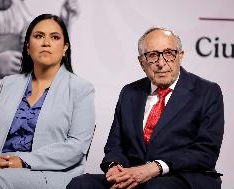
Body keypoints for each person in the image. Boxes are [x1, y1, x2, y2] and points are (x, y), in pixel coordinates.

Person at [0, 14, 95, 189]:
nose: (46, 42)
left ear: (65, 48)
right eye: (38, 36)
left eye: (54, 37)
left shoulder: (81, 88)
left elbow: (76, 146)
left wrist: (22, 161)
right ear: (28, 47)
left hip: (51, 172)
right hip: (3, 164)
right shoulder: (9, 84)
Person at [67, 27, 224, 189]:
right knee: (81, 184)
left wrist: (154, 168)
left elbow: (206, 152)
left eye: (169, 53)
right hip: (134, 176)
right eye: (153, 55)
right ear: (142, 62)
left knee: (157, 188)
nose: (161, 63)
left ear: (180, 56)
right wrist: (115, 166)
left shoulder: (207, 91)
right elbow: (115, 145)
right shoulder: (129, 92)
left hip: (184, 177)